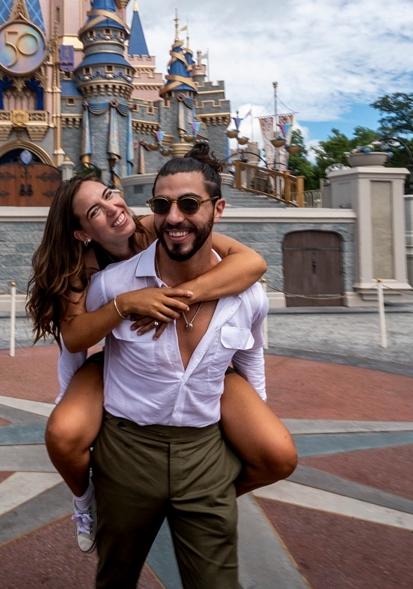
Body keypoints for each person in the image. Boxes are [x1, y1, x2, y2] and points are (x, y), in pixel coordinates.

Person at [29, 146, 297, 555]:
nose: (112, 208)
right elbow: (74, 342)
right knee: (64, 433)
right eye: (94, 212)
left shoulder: (160, 227)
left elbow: (252, 263)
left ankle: (202, 498)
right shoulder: (81, 270)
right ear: (83, 233)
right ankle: (86, 503)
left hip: (197, 357)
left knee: (277, 454)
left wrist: (176, 298)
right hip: (120, 359)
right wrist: (128, 304)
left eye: (109, 194)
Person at [80, 146, 271, 587]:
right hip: (126, 453)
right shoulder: (112, 285)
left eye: (189, 204)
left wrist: (253, 421)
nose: (174, 218)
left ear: (218, 209)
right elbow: (78, 346)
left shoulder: (248, 295)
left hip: (206, 456)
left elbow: (250, 358)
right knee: (114, 580)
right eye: (162, 205)